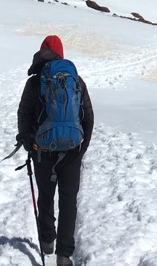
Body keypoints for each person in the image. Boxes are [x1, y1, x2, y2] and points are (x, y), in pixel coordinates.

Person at [16, 35, 94, 266]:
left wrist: (29, 141)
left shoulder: (35, 81)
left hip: (42, 150)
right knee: (69, 200)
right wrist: (82, 148)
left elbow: (24, 114)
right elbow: (88, 117)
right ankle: (64, 255)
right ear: (61, 54)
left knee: (46, 197)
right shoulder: (75, 80)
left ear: (41, 53)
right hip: (72, 151)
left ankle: (47, 241)